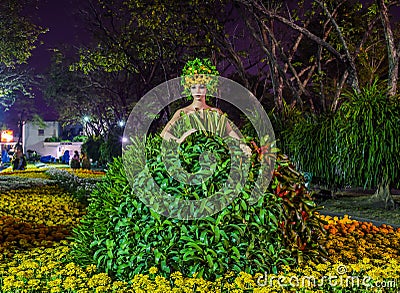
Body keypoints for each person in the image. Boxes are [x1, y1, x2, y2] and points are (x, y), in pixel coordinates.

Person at [160, 58, 251, 155]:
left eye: (202, 87)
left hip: (215, 155)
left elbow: (229, 132)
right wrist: (180, 140)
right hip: (191, 156)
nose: (198, 91)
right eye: (194, 87)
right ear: (189, 88)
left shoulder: (215, 111)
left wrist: (242, 144)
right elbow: (164, 133)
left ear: (208, 88)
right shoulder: (183, 112)